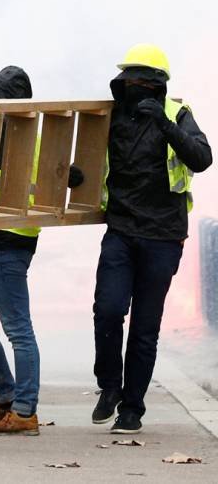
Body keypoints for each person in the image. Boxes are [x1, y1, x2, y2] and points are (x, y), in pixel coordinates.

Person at [92, 44, 211, 434]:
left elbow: (201, 158)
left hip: (163, 235)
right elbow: (88, 157)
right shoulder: (110, 116)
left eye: (140, 79)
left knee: (145, 328)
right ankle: (110, 386)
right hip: (122, 230)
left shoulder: (178, 114)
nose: (132, 86)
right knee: (108, 310)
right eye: (128, 78)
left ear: (158, 84)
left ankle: (132, 409)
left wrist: (164, 123)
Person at [0, 66, 84, 436]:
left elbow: (65, 173)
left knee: (18, 330)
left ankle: (26, 409)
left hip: (8, 245)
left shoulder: (22, 137)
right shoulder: (0, 132)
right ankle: (9, 395)